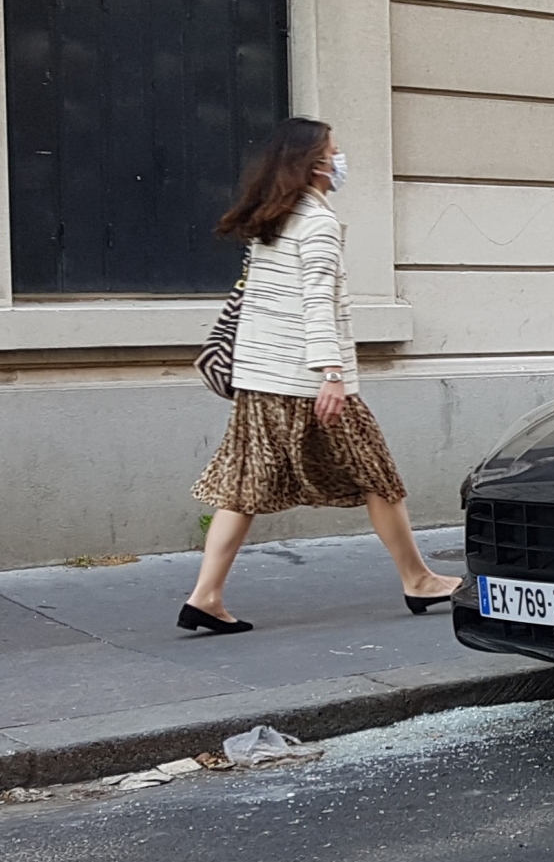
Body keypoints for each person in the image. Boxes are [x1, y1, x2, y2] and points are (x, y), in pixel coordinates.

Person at [179, 117, 461, 633]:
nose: (340, 159)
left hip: (259, 378)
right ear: (314, 163)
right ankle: (417, 580)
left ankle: (205, 595)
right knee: (379, 477)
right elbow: (316, 303)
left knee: (243, 487)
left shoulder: (272, 221)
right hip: (308, 380)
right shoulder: (317, 224)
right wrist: (331, 372)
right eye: (335, 151)